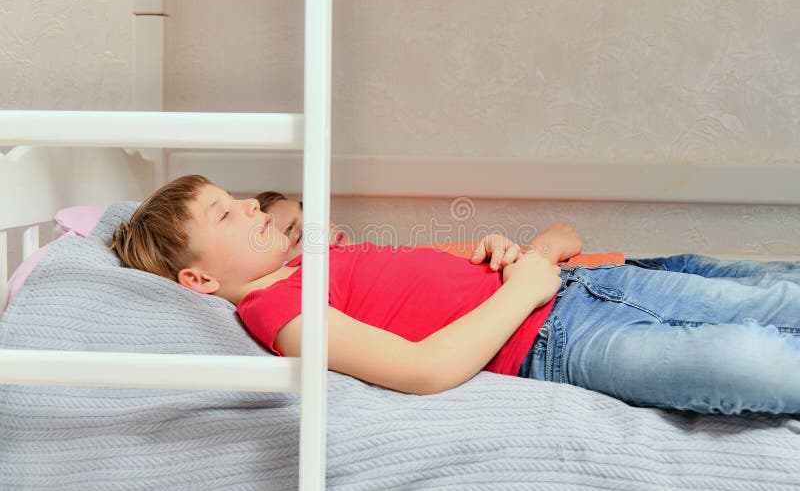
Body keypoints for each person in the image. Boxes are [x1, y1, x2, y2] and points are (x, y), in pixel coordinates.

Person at [111, 175, 800, 414]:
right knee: (749, 361)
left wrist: (505, 256)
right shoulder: (275, 310)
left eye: (237, 199)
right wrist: (525, 286)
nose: (251, 208)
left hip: (583, 288)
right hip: (553, 341)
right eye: (226, 214)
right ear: (198, 281)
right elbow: (424, 370)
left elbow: (428, 280)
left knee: (770, 302)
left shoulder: (314, 261)